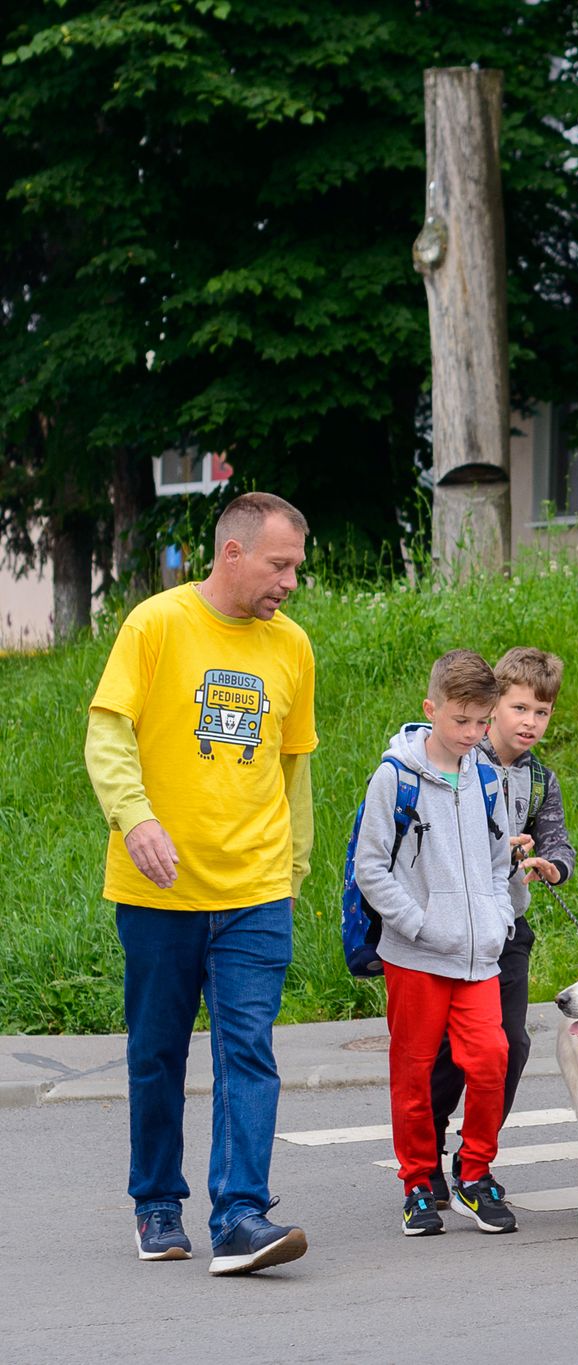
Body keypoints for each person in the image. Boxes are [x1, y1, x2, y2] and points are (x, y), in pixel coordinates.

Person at [85, 491, 317, 1274]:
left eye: (296, 568)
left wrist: (291, 872)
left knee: (248, 1049)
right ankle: (156, 1202)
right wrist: (135, 817)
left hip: (254, 888)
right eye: (280, 564)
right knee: (157, 1052)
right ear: (234, 553)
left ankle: (242, 1214)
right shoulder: (155, 624)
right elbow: (108, 732)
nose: (289, 581)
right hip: (158, 888)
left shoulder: (293, 647)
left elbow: (295, 770)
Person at [352, 650, 520, 1237]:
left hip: (479, 956)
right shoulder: (393, 777)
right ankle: (418, 1184)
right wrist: (417, 923)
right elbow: (370, 867)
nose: (473, 735)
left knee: (493, 1060)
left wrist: (498, 916)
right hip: (417, 956)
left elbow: (499, 861)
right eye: (461, 721)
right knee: (416, 1074)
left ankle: (475, 1174)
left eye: (482, 722)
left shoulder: (487, 775)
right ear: (432, 710)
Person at [427, 646, 577, 1202]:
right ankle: (429, 1148)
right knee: (448, 1051)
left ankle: (476, 1156)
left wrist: (552, 865)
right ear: (493, 708)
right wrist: (493, 847)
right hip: (452, 929)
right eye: (519, 708)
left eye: (542, 712)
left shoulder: (541, 779)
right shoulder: (463, 760)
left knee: (510, 1045)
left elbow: (558, 838)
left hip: (508, 927)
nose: (530, 722)